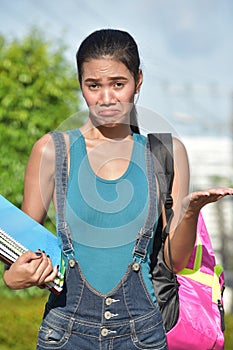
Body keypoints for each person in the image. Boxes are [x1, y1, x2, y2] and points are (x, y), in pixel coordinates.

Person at [3, 29, 233, 349]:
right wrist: (14, 277)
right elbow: (23, 249)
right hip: (65, 334)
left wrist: (190, 212)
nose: (107, 98)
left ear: (138, 80)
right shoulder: (52, 152)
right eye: (93, 86)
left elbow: (176, 262)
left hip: (143, 335)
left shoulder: (165, 153)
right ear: (81, 83)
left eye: (118, 84)